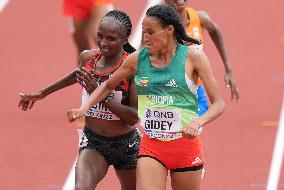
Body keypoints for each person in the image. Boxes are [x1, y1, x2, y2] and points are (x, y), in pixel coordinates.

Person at [67, 4, 225, 190]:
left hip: (185, 147)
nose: (145, 38)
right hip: (152, 146)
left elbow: (219, 104)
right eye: (143, 32)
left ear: (169, 30)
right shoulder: (137, 59)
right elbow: (108, 86)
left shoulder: (193, 58)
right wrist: (83, 109)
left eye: (151, 32)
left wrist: (197, 122)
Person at [18, 10, 139, 190]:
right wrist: (43, 93)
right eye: (100, 36)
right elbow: (77, 74)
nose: (103, 43)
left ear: (124, 39)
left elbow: (133, 117)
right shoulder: (88, 57)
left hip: (126, 144)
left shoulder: (131, 68)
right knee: (82, 187)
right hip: (93, 142)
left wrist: (97, 93)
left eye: (111, 39)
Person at [164, 0, 240, 116]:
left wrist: (228, 69)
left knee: (190, 127)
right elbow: (146, 54)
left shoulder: (199, 18)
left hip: (195, 89)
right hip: (168, 90)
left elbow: (215, 31)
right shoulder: (159, 25)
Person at [63, 0, 113, 65]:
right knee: (82, 48)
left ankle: (120, 69)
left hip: (98, 2)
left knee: (103, 40)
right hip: (75, 3)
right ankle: (83, 73)